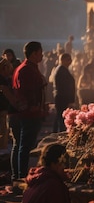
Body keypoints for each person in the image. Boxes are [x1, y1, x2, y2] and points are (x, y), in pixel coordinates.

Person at [8, 41, 47, 181]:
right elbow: (27, 91)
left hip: (24, 113)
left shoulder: (27, 67)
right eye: (40, 52)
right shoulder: (26, 69)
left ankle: (17, 176)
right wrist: (34, 105)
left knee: (19, 146)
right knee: (25, 147)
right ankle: (21, 177)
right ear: (34, 53)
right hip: (28, 114)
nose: (42, 55)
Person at [50, 53, 75, 133]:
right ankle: (60, 133)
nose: (70, 62)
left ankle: (55, 132)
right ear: (62, 60)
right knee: (61, 117)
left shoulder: (63, 69)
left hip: (61, 97)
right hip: (63, 98)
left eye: (70, 59)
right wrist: (70, 100)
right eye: (68, 60)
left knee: (59, 116)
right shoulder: (61, 70)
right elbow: (64, 87)